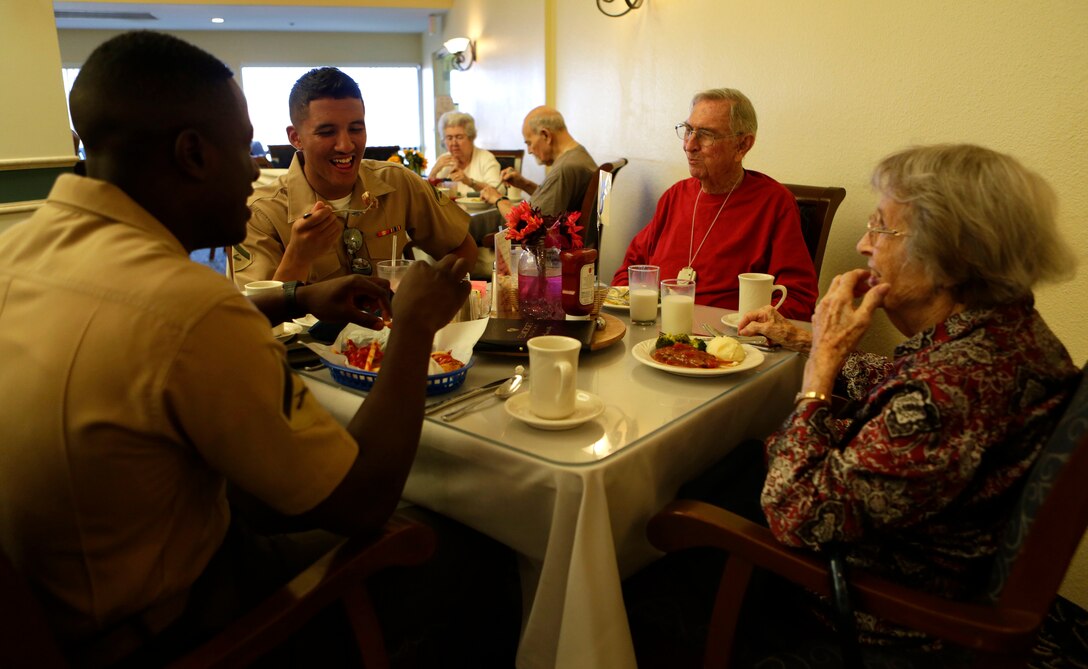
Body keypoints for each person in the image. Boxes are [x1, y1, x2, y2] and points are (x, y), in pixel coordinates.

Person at [0, 31, 516, 667]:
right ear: (192, 152)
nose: (254, 169)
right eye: (242, 147)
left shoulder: (16, 253)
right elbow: (363, 500)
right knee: (478, 547)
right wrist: (410, 330)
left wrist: (294, 298)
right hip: (178, 626)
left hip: (59, 603)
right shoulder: (189, 307)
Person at [738, 143, 1079, 648]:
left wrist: (819, 372)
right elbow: (897, 375)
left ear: (950, 253)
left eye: (881, 227)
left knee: (687, 496)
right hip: (914, 547)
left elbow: (796, 513)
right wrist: (807, 338)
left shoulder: (951, 390)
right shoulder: (1001, 330)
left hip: (874, 611)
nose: (862, 244)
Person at [233, 67, 477, 286]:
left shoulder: (397, 182)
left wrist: (427, 295)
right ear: (296, 137)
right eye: (327, 132)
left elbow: (461, 246)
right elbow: (256, 317)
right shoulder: (260, 213)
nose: (346, 145)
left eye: (356, 129)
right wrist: (298, 257)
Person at [609, 88, 818, 321]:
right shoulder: (674, 197)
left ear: (742, 146)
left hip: (728, 345)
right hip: (654, 333)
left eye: (706, 134)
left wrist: (747, 330)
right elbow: (629, 274)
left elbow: (798, 298)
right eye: (688, 130)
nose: (689, 145)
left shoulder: (774, 203)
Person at [479, 105, 597, 223]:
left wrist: (497, 198)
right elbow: (553, 199)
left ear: (546, 135)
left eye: (529, 143)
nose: (529, 150)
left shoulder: (565, 168)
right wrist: (525, 184)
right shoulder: (579, 156)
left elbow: (528, 226)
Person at [427, 110, 501, 196]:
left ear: (471, 137)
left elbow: (498, 192)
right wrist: (433, 172)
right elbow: (429, 196)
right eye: (449, 138)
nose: (454, 143)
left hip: (479, 209)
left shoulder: (486, 158)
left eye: (459, 137)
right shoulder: (443, 160)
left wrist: (469, 182)